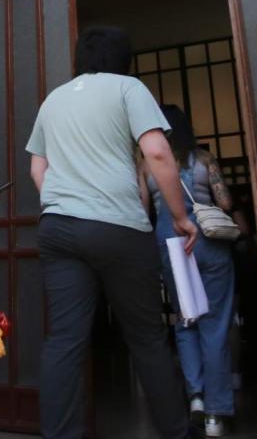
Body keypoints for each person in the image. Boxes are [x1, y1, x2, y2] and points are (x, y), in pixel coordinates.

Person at [25, 26, 200, 439]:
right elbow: (157, 152)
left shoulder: (53, 100)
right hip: (118, 227)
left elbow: (37, 168)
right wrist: (180, 216)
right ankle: (177, 432)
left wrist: (63, 202)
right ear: (124, 58)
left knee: (64, 339)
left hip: (58, 228)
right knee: (146, 337)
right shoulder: (128, 88)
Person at [140, 105, 244, 438]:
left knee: (185, 321)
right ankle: (216, 414)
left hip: (170, 245)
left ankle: (195, 396)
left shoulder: (146, 165)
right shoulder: (204, 159)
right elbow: (225, 203)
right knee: (215, 324)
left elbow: (143, 211)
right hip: (209, 242)